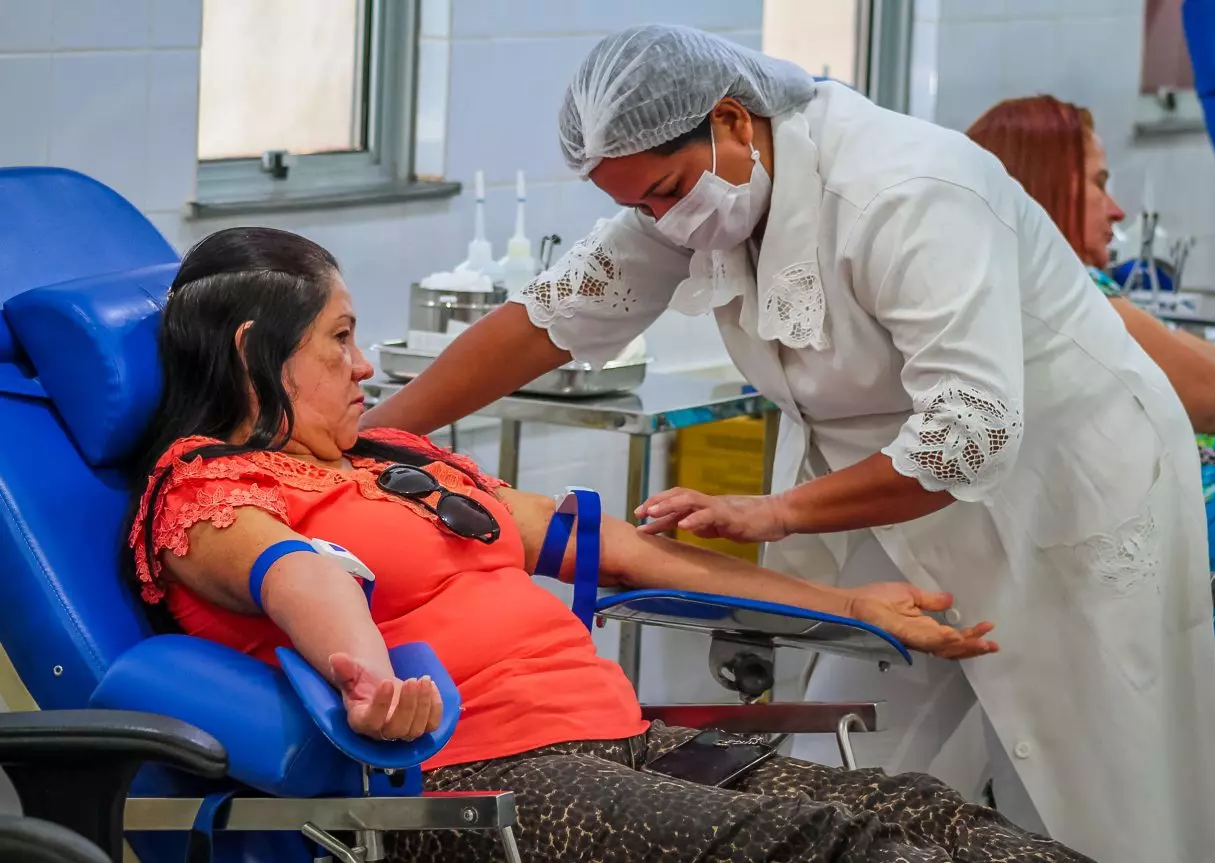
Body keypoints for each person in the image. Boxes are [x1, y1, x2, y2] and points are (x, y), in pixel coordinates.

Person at [359, 24, 1215, 863]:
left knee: (1109, 789)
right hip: (897, 515)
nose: (659, 222)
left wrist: (776, 511)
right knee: (880, 783)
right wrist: (373, 433)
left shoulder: (906, 189)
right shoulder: (690, 195)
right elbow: (540, 323)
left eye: (663, 193)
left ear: (735, 121)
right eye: (636, 207)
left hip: (1060, 489)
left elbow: (970, 430)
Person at [124, 225, 1111, 863]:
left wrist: (853, 607)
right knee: (838, 849)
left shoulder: (388, 457)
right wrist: (370, 680)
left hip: (620, 739)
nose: (365, 363)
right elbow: (301, 572)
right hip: (481, 782)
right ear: (258, 348)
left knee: (933, 818)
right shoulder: (209, 488)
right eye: (339, 338)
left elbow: (620, 553)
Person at [966, 95, 1215, 630]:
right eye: (1099, 183)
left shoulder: (1065, 290)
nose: (1116, 210)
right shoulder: (1065, 292)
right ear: (1039, 187)